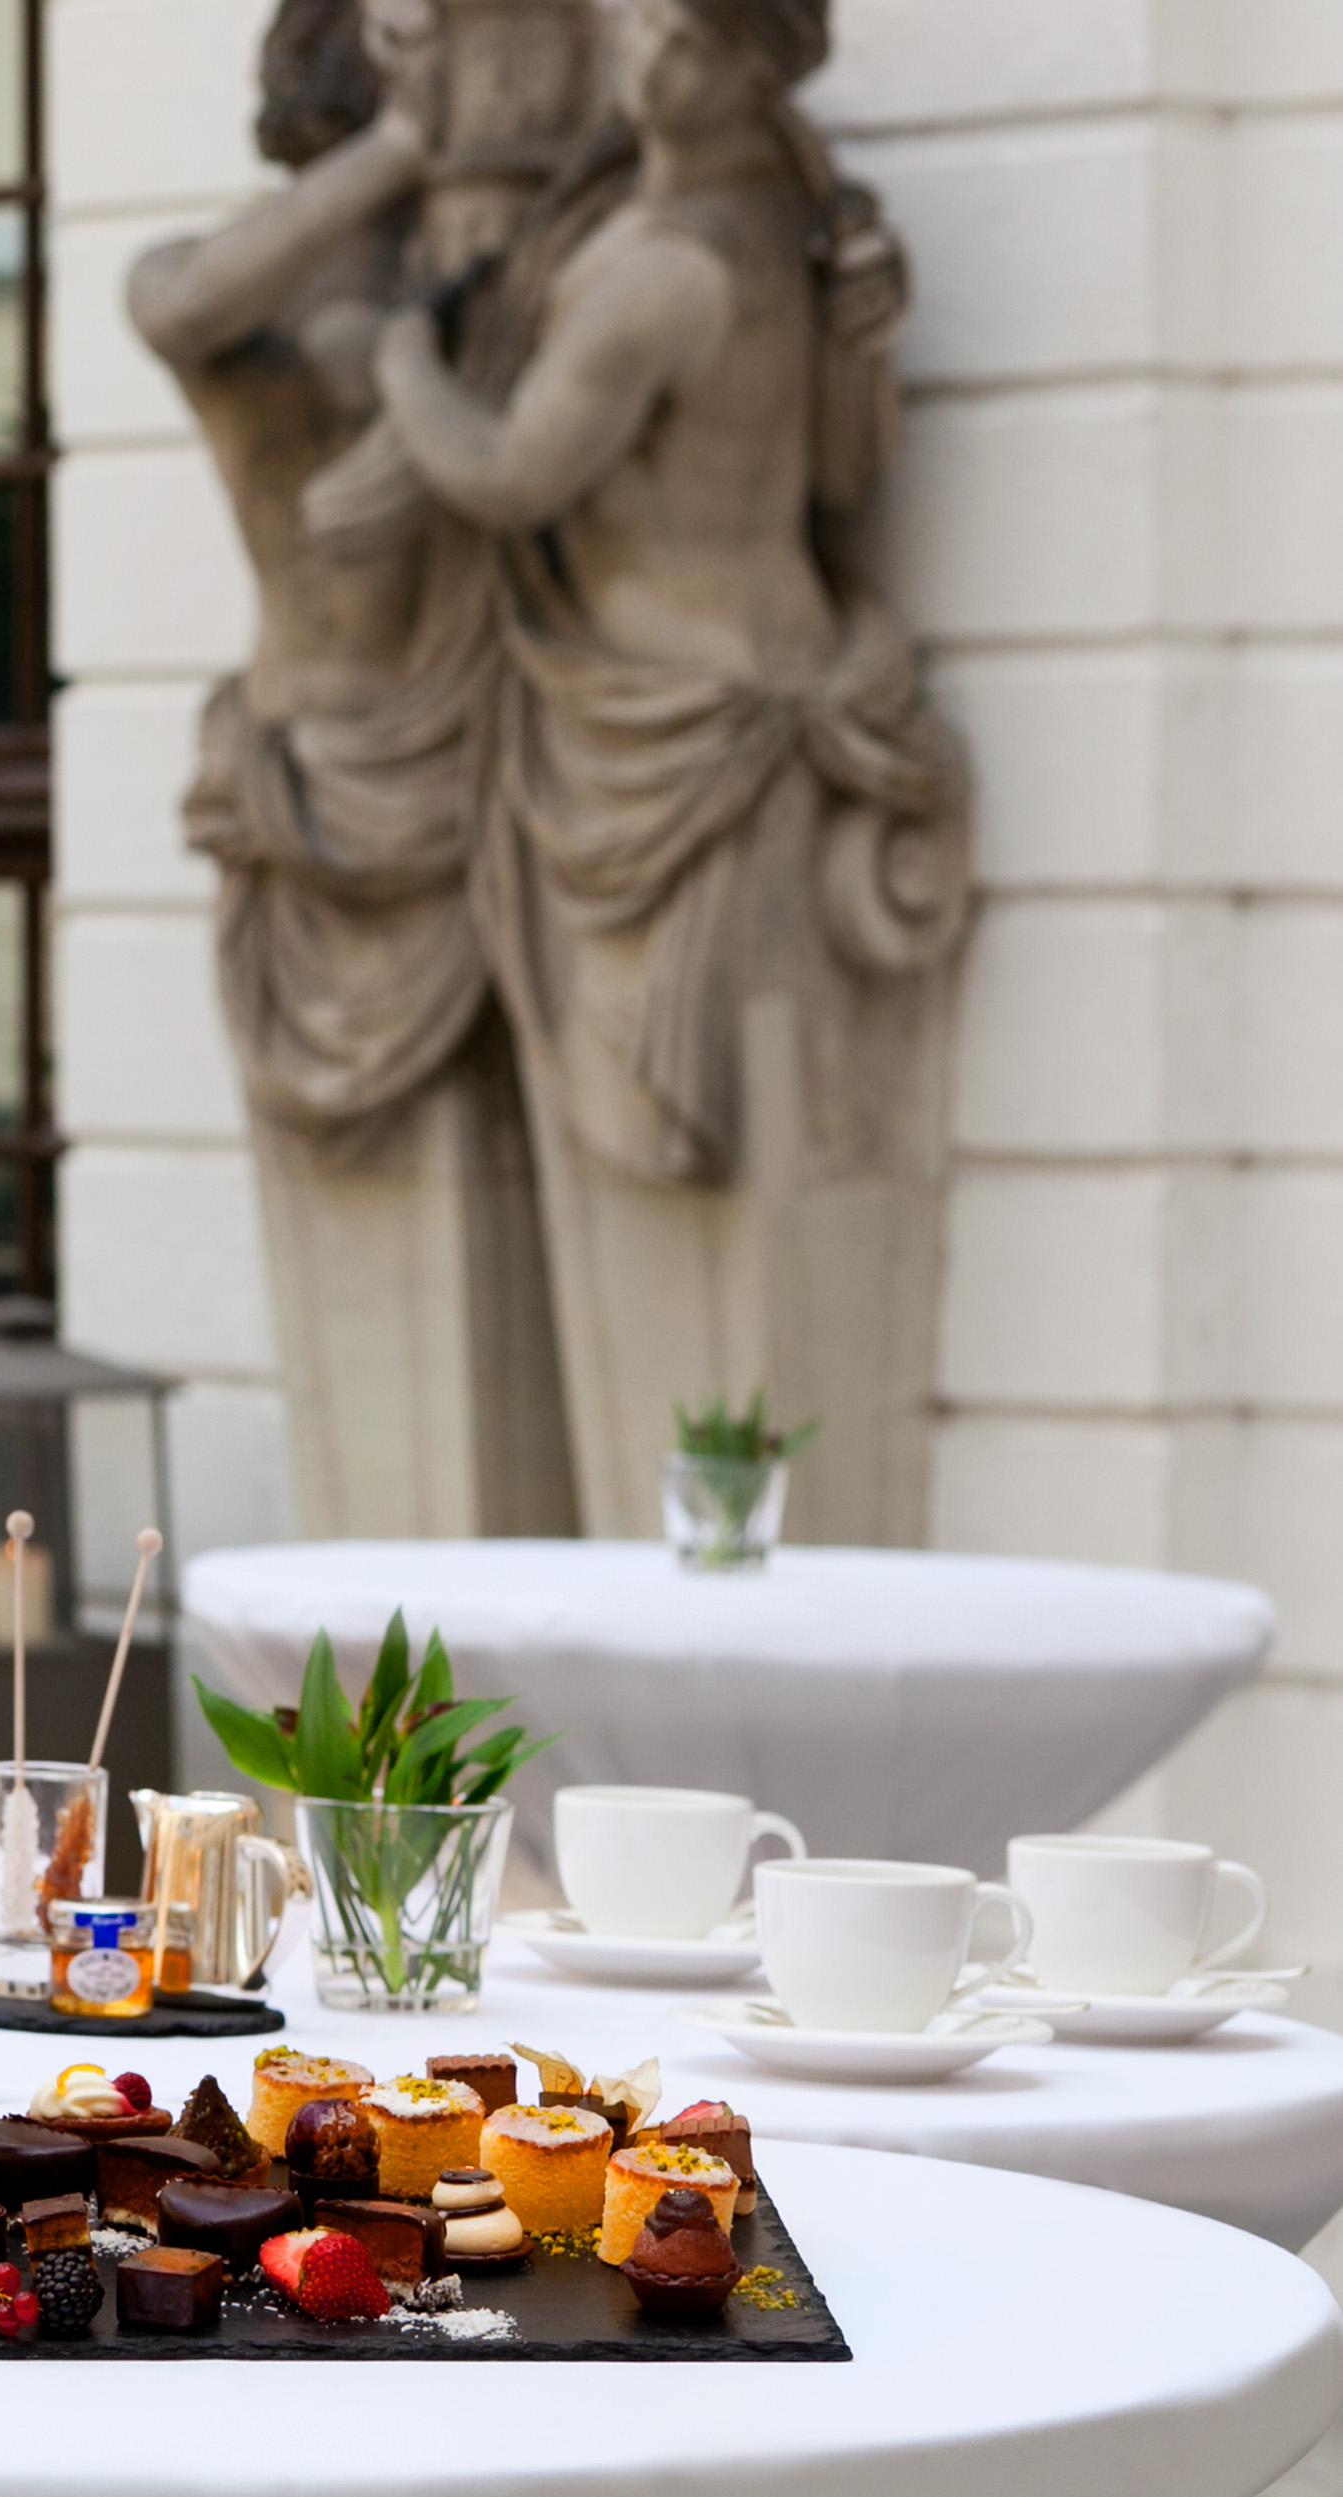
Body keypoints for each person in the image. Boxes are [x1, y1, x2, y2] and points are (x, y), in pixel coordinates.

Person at [342, 0, 970, 1541]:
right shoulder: (784, 234)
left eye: (662, 32)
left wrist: (405, 358)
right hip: (722, 703)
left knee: (691, 1241)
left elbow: (503, 472)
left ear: (726, 62)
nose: (630, 52)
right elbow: (838, 467)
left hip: (661, 739)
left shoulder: (662, 273)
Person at [128, 0, 578, 1538]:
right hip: (312, 779)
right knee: (369, 1299)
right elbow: (174, 307)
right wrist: (400, 150)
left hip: (471, 767)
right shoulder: (240, 285)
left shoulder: (459, 284)